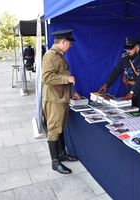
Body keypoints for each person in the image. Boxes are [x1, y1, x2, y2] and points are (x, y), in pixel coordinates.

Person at [42, 29, 80, 174]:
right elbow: (46, 78)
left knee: (60, 127)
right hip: (53, 100)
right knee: (54, 129)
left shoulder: (60, 55)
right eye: (69, 43)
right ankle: (55, 162)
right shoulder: (50, 56)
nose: (70, 46)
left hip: (62, 98)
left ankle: (62, 154)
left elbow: (63, 76)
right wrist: (67, 79)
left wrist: (73, 93)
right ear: (63, 42)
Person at [98, 37, 140, 111]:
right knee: (130, 114)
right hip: (129, 91)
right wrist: (106, 84)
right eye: (127, 49)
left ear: (137, 47)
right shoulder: (125, 57)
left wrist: (132, 92)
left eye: (130, 49)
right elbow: (116, 71)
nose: (128, 51)